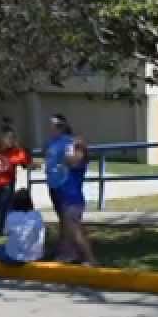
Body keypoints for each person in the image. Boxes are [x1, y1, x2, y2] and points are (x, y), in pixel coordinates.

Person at [48, 114, 94, 265]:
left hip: (73, 199)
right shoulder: (74, 162)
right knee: (71, 230)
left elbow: (69, 160)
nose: (69, 150)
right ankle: (69, 254)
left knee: (76, 232)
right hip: (68, 198)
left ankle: (90, 259)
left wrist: (72, 146)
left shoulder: (77, 163)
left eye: (73, 148)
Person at [0, 189, 45, 266]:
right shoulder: (37, 215)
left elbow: (6, 233)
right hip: (36, 255)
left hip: (15, 258)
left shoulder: (11, 216)